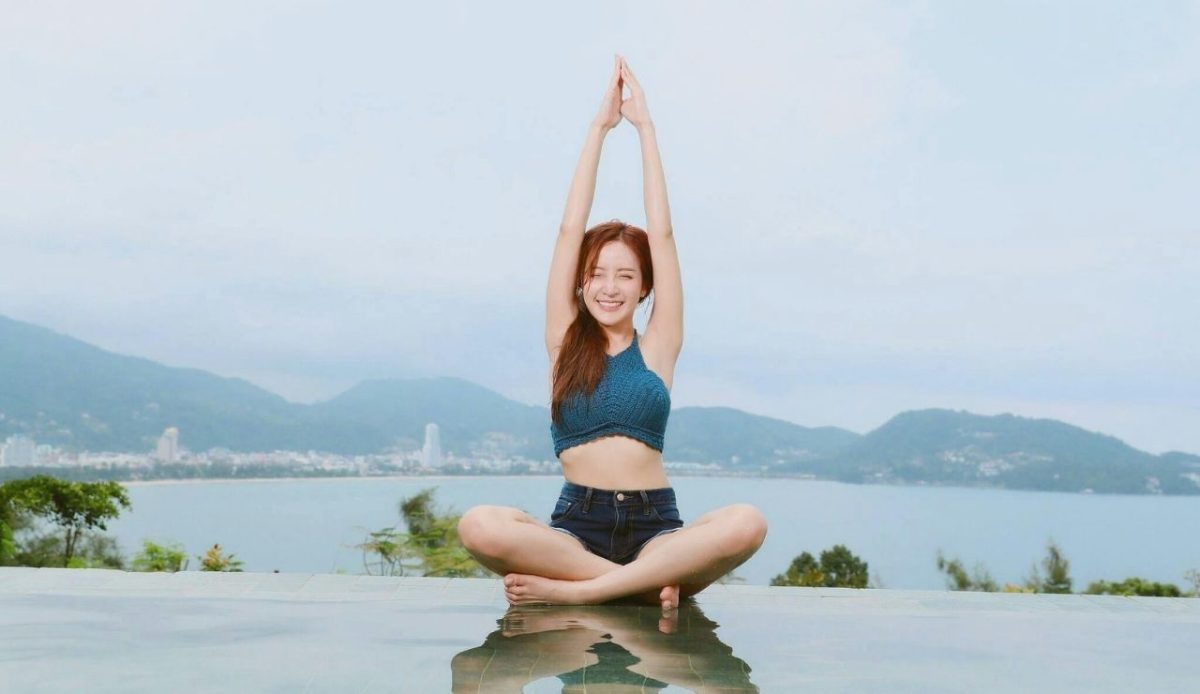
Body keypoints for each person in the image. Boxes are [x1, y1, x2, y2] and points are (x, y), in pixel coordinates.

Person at [458, 54, 767, 610]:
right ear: (580, 281)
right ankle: (634, 590)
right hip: (577, 530)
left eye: (625, 275)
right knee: (479, 526)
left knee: (747, 522)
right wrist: (599, 129)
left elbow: (665, 234)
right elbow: (567, 229)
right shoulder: (562, 341)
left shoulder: (658, 346)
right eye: (597, 273)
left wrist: (646, 128)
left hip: (658, 532)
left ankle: (587, 594)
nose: (609, 287)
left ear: (645, 287)